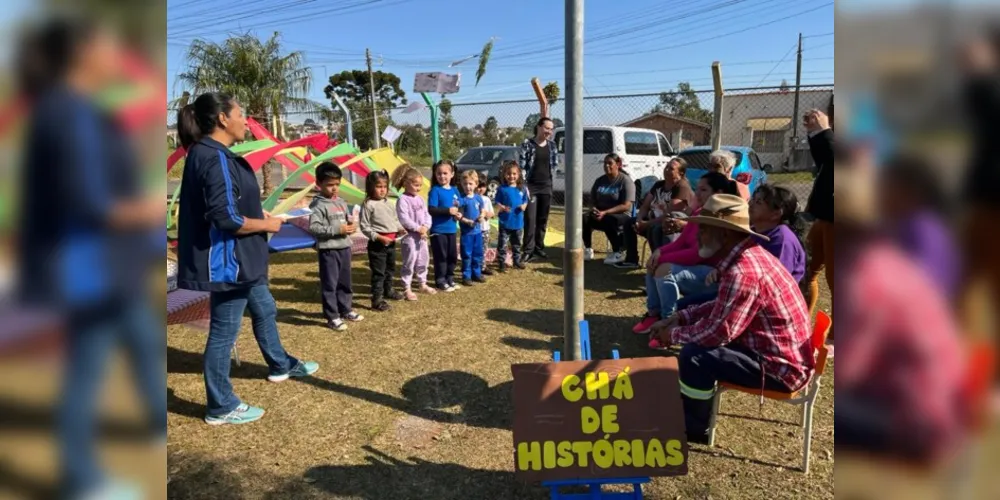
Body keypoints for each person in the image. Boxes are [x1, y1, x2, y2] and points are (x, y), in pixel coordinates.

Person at [17, 18, 166, 498]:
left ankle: (156, 423)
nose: (116, 56)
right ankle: (80, 477)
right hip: (89, 266)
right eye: (107, 46)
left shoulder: (77, 109)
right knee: (86, 369)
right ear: (81, 52)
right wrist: (148, 209)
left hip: (107, 265)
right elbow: (90, 201)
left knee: (143, 342)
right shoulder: (69, 113)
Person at [175, 92, 320, 426]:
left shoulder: (209, 153)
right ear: (223, 119)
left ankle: (281, 364)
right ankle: (220, 405)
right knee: (225, 331)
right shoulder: (213, 157)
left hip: (242, 260)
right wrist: (267, 224)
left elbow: (233, 204)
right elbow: (225, 218)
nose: (246, 121)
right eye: (241, 114)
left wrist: (259, 212)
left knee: (265, 307)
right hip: (230, 263)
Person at [648, 194, 814, 445]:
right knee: (698, 346)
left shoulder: (743, 271)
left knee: (695, 355)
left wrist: (671, 334)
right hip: (777, 354)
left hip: (780, 368)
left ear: (723, 234)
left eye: (704, 228)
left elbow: (718, 332)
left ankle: (693, 428)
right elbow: (722, 306)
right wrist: (681, 317)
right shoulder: (747, 256)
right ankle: (690, 414)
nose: (698, 234)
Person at [632, 173, 739, 336]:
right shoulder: (698, 213)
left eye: (703, 190)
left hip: (715, 277)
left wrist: (662, 259)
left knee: (664, 269)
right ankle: (654, 314)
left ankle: (668, 323)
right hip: (699, 271)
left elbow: (698, 254)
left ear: (718, 192)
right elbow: (680, 242)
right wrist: (659, 252)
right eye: (697, 189)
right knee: (653, 264)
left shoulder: (719, 218)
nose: (697, 194)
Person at [678, 184, 809, 312]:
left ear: (775, 214)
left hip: (767, 304)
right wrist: (719, 271)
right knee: (684, 306)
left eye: (758, 202)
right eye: (752, 199)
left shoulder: (782, 240)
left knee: (687, 306)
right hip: (742, 288)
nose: (750, 204)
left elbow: (774, 285)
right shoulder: (753, 231)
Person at [878, 154, 959, 299]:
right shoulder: (901, 223)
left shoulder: (924, 229)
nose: (881, 195)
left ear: (912, 192)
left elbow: (930, 286)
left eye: (888, 188)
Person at [308, 162, 365, 330]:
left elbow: (345, 219)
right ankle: (332, 316)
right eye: (329, 185)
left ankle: (346, 309)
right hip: (329, 250)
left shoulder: (340, 201)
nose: (334, 188)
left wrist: (350, 224)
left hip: (344, 247)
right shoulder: (318, 205)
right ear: (319, 184)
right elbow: (314, 228)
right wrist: (337, 229)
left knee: (345, 282)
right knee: (330, 284)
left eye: (337, 184)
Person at [619, 157, 694, 269]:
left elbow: (669, 215)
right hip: (652, 220)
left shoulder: (681, 187)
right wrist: (639, 220)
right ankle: (632, 259)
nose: (666, 170)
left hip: (671, 225)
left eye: (671, 168)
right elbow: (645, 206)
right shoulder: (658, 185)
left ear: (681, 173)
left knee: (655, 228)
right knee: (629, 222)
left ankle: (659, 264)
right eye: (666, 166)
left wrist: (646, 224)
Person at [359, 170, 406, 312]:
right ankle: (377, 300)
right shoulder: (368, 204)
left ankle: (388, 290)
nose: (382, 189)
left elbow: (395, 220)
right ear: (370, 187)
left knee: (390, 269)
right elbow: (364, 226)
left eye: (385, 186)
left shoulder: (390, 203)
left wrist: (400, 228)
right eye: (378, 186)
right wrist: (379, 237)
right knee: (379, 272)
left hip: (391, 243)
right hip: (377, 245)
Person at [802, 108, 834, 316]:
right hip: (824, 217)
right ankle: (801, 320)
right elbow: (826, 162)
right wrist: (817, 132)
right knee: (807, 271)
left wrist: (825, 131)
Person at [392, 164, 437, 301]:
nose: (419, 188)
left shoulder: (420, 199)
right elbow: (404, 218)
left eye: (420, 185)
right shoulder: (402, 200)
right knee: (410, 261)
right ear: (406, 183)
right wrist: (417, 228)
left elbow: (426, 214)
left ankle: (422, 283)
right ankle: (407, 287)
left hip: (422, 237)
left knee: (423, 259)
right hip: (410, 237)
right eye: (416, 185)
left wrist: (426, 227)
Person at [582, 154, 636, 265]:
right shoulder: (599, 181)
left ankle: (618, 252)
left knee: (608, 219)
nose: (606, 166)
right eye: (604, 163)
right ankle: (588, 250)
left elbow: (626, 206)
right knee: (584, 218)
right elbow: (592, 201)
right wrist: (594, 209)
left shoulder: (625, 181)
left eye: (610, 163)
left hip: (622, 214)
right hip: (601, 213)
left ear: (618, 165)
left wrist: (605, 212)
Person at [520, 117, 558, 263]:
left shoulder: (552, 145)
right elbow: (522, 166)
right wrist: (524, 186)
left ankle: (539, 247)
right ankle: (528, 250)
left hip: (546, 186)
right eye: (547, 128)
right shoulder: (527, 145)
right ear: (539, 127)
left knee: (542, 219)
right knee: (530, 219)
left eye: (551, 129)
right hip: (531, 187)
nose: (549, 131)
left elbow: (553, 166)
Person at [427, 160, 462, 292]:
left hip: (451, 229)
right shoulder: (435, 191)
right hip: (438, 231)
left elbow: (460, 205)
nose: (442, 176)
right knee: (441, 256)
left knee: (452, 255)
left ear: (452, 174)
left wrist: (459, 214)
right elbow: (432, 209)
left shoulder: (454, 190)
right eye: (439, 173)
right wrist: (447, 211)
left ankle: (450, 278)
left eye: (445, 173)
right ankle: (440, 280)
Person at [495, 160, 530, 272]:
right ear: (504, 175)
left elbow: (525, 200)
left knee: (517, 244)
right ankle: (501, 262)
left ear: (518, 174)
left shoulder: (522, 188)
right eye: (508, 174)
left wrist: (524, 205)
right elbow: (497, 202)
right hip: (505, 222)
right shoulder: (501, 189)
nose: (511, 176)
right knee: (503, 244)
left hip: (518, 222)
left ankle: (517, 261)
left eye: (514, 174)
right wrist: (502, 207)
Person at [456, 170, 488, 286]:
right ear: (462, 184)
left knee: (477, 254)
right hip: (466, 233)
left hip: (478, 232)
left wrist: (482, 215)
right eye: (465, 184)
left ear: (476, 184)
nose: (468, 186)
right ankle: (466, 276)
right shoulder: (461, 200)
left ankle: (477, 273)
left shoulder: (478, 198)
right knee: (467, 255)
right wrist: (466, 221)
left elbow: (483, 210)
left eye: (470, 184)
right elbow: (458, 215)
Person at [476, 180, 496, 276]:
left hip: (485, 229)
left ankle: (483, 267)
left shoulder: (486, 199)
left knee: (483, 249)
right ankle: (474, 267)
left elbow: (492, 213)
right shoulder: (472, 198)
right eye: (479, 186)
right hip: (475, 229)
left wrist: (488, 214)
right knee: (475, 249)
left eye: (483, 186)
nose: (480, 189)